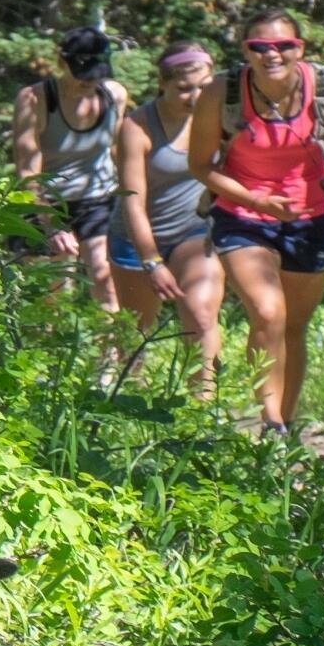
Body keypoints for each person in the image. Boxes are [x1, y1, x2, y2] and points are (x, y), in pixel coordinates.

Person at [188, 8, 324, 436]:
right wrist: (255, 198)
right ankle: (270, 423)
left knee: (293, 326)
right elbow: (200, 166)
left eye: (283, 46)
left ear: (301, 49)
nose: (271, 54)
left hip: (314, 220)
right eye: (260, 47)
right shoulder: (222, 93)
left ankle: (286, 426)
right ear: (246, 51)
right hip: (242, 215)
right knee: (268, 312)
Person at [108, 42, 225, 394]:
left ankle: (203, 407)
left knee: (202, 314)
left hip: (193, 232)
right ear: (162, 84)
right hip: (137, 238)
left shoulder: (220, 114)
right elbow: (131, 201)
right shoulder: (138, 126)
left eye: (203, 87)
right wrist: (152, 261)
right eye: (184, 89)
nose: (194, 96)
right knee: (136, 332)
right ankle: (132, 406)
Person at [11, 26, 130, 311]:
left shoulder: (114, 96)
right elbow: (27, 170)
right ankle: (50, 350)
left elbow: (118, 151)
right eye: (82, 74)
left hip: (96, 199)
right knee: (50, 290)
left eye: (97, 73)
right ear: (62, 62)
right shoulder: (35, 100)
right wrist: (51, 227)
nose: (89, 82)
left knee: (105, 279)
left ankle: (112, 353)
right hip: (45, 200)